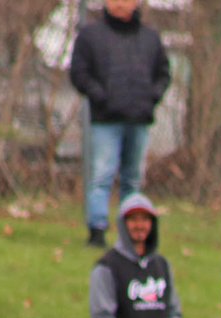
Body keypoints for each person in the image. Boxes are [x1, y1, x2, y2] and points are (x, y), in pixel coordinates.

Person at [69, 0, 171, 248]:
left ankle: (130, 236)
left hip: (139, 119)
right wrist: (101, 97)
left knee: (133, 179)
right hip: (106, 119)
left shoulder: (149, 38)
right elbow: (79, 73)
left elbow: (164, 74)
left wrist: (150, 98)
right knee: (102, 175)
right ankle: (97, 230)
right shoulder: (92, 36)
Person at [90, 192, 181, 318]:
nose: (139, 225)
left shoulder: (162, 265)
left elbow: (174, 313)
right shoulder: (107, 266)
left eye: (145, 219)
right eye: (133, 219)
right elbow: (102, 317)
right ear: (123, 224)